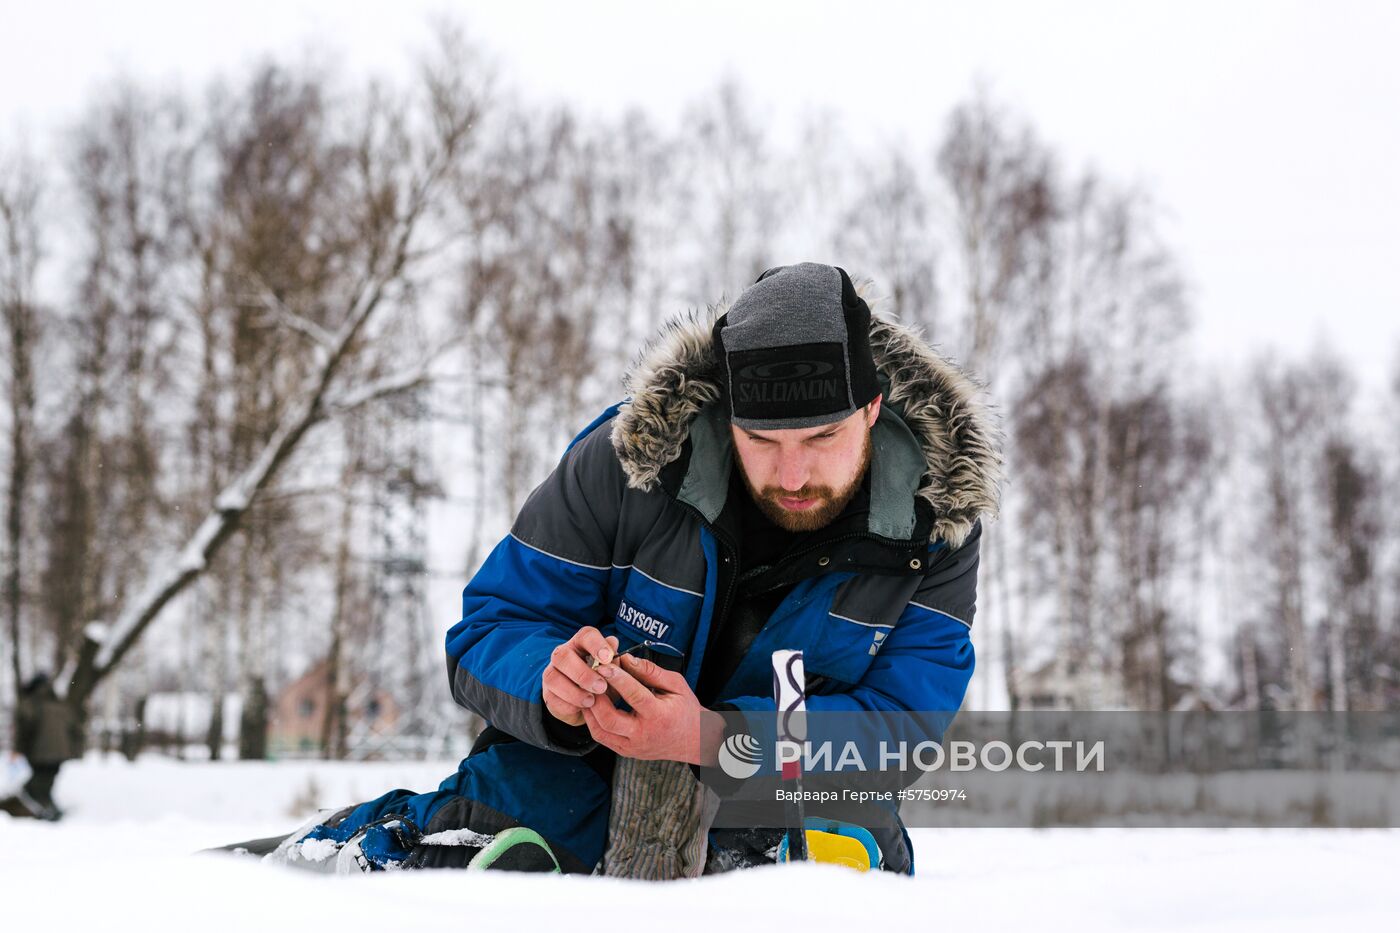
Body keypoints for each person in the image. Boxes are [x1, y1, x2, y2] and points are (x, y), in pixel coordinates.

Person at [251, 262, 1000, 876]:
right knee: (502, 832)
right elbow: (488, 629)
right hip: (578, 778)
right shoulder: (627, 464)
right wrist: (549, 681)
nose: (793, 471)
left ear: (871, 410)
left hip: (787, 789)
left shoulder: (938, 525)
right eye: (762, 439)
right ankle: (349, 852)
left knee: (845, 853)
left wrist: (711, 738)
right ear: (725, 414)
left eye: (821, 436)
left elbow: (898, 732)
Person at [11, 673, 84, 820]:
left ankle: (45, 811)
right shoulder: (61, 705)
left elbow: (25, 729)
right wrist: (73, 750)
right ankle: (48, 809)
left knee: (35, 785)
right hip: (61, 753)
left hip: (40, 753)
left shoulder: (30, 704)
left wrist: (18, 749)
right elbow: (76, 729)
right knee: (46, 782)